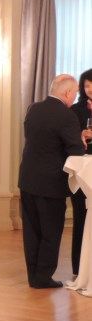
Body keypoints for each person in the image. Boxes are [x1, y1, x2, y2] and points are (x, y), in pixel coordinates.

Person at [18, 74, 88, 289]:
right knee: (51, 232)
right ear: (67, 93)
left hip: (28, 179)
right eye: (75, 93)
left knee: (31, 231)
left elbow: (38, 139)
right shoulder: (66, 116)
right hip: (51, 184)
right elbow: (75, 151)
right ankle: (43, 277)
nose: (75, 97)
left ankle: (34, 276)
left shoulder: (33, 108)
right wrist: (81, 140)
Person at [69, 69, 92, 276]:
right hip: (81, 169)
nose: (89, 89)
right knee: (80, 217)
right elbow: (66, 137)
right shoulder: (75, 110)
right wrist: (80, 134)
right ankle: (78, 268)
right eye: (86, 85)